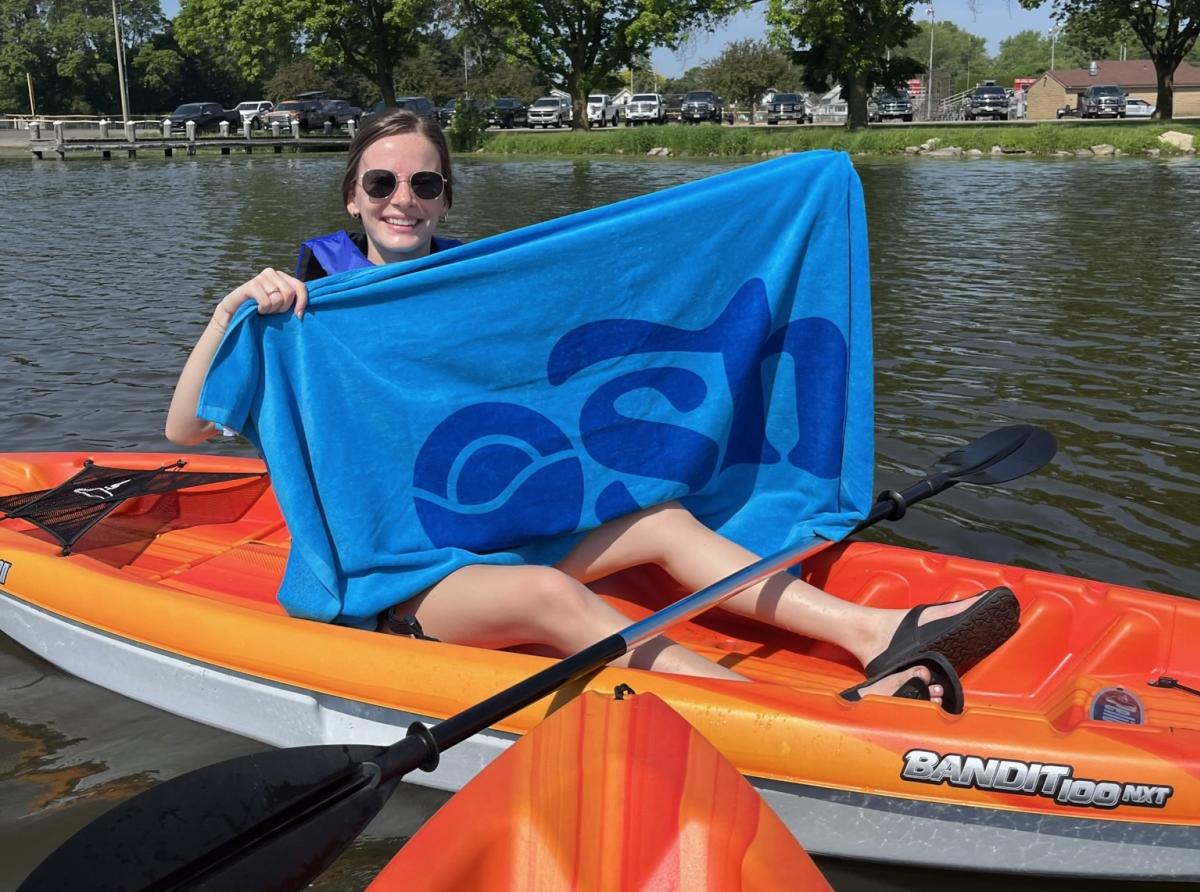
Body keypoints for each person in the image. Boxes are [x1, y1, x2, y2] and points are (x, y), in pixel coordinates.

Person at [166, 109, 1019, 709]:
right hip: (397, 587)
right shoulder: (305, 311)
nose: (404, 198)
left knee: (663, 521)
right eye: (382, 181)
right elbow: (186, 432)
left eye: (425, 181)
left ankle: (874, 633)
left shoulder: (483, 287)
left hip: (499, 536)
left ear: (447, 197)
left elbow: (592, 297)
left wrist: (802, 188)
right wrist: (231, 309)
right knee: (545, 592)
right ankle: (780, 714)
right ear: (352, 196)